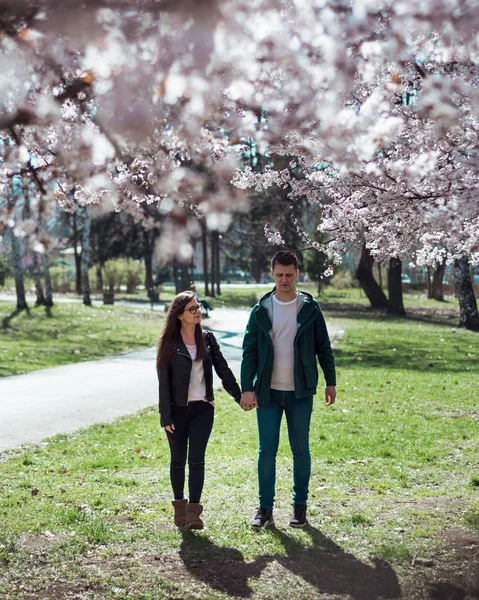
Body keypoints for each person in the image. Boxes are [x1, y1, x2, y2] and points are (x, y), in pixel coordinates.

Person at [240, 250, 336, 529]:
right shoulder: (261, 310)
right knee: (266, 451)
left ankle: (300, 507)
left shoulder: (310, 308)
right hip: (268, 392)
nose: (284, 279)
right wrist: (248, 388)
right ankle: (265, 509)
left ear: (297, 273)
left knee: (300, 450)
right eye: (279, 274)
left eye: (289, 274)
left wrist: (331, 381)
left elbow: (324, 348)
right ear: (272, 274)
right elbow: (249, 353)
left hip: (300, 392)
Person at [157, 291, 241, 529]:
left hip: (203, 409)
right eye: (192, 309)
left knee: (196, 460)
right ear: (180, 315)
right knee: (177, 460)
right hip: (177, 411)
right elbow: (163, 381)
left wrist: (239, 396)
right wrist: (166, 415)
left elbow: (223, 370)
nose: (198, 312)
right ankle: (179, 507)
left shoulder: (207, 339)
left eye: (198, 307)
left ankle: (194, 512)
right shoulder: (169, 344)